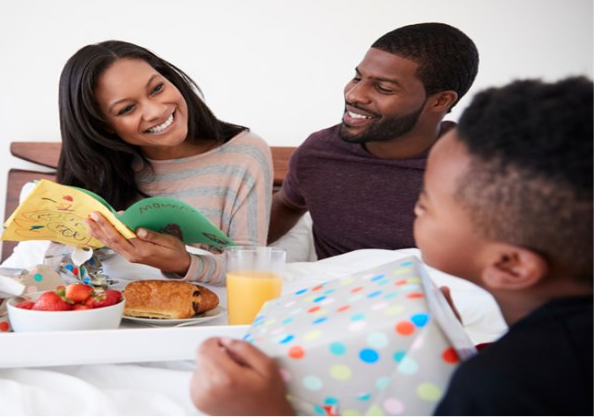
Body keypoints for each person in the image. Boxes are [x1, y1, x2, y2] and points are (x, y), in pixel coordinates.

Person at [190, 77, 593, 415]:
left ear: (510, 266)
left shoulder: (503, 387)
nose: (416, 206)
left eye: (427, 203)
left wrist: (268, 410)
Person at [55, 40, 272, 284]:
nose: (156, 111)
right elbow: (58, 261)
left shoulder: (244, 154)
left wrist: (183, 263)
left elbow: (252, 266)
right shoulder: (98, 169)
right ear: (103, 125)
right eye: (127, 108)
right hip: (108, 313)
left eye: (157, 88)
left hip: (208, 315)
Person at [268, 22, 479, 259]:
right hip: (334, 292)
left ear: (440, 101)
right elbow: (288, 204)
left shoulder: (482, 168)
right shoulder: (318, 154)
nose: (354, 94)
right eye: (357, 78)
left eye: (384, 88)